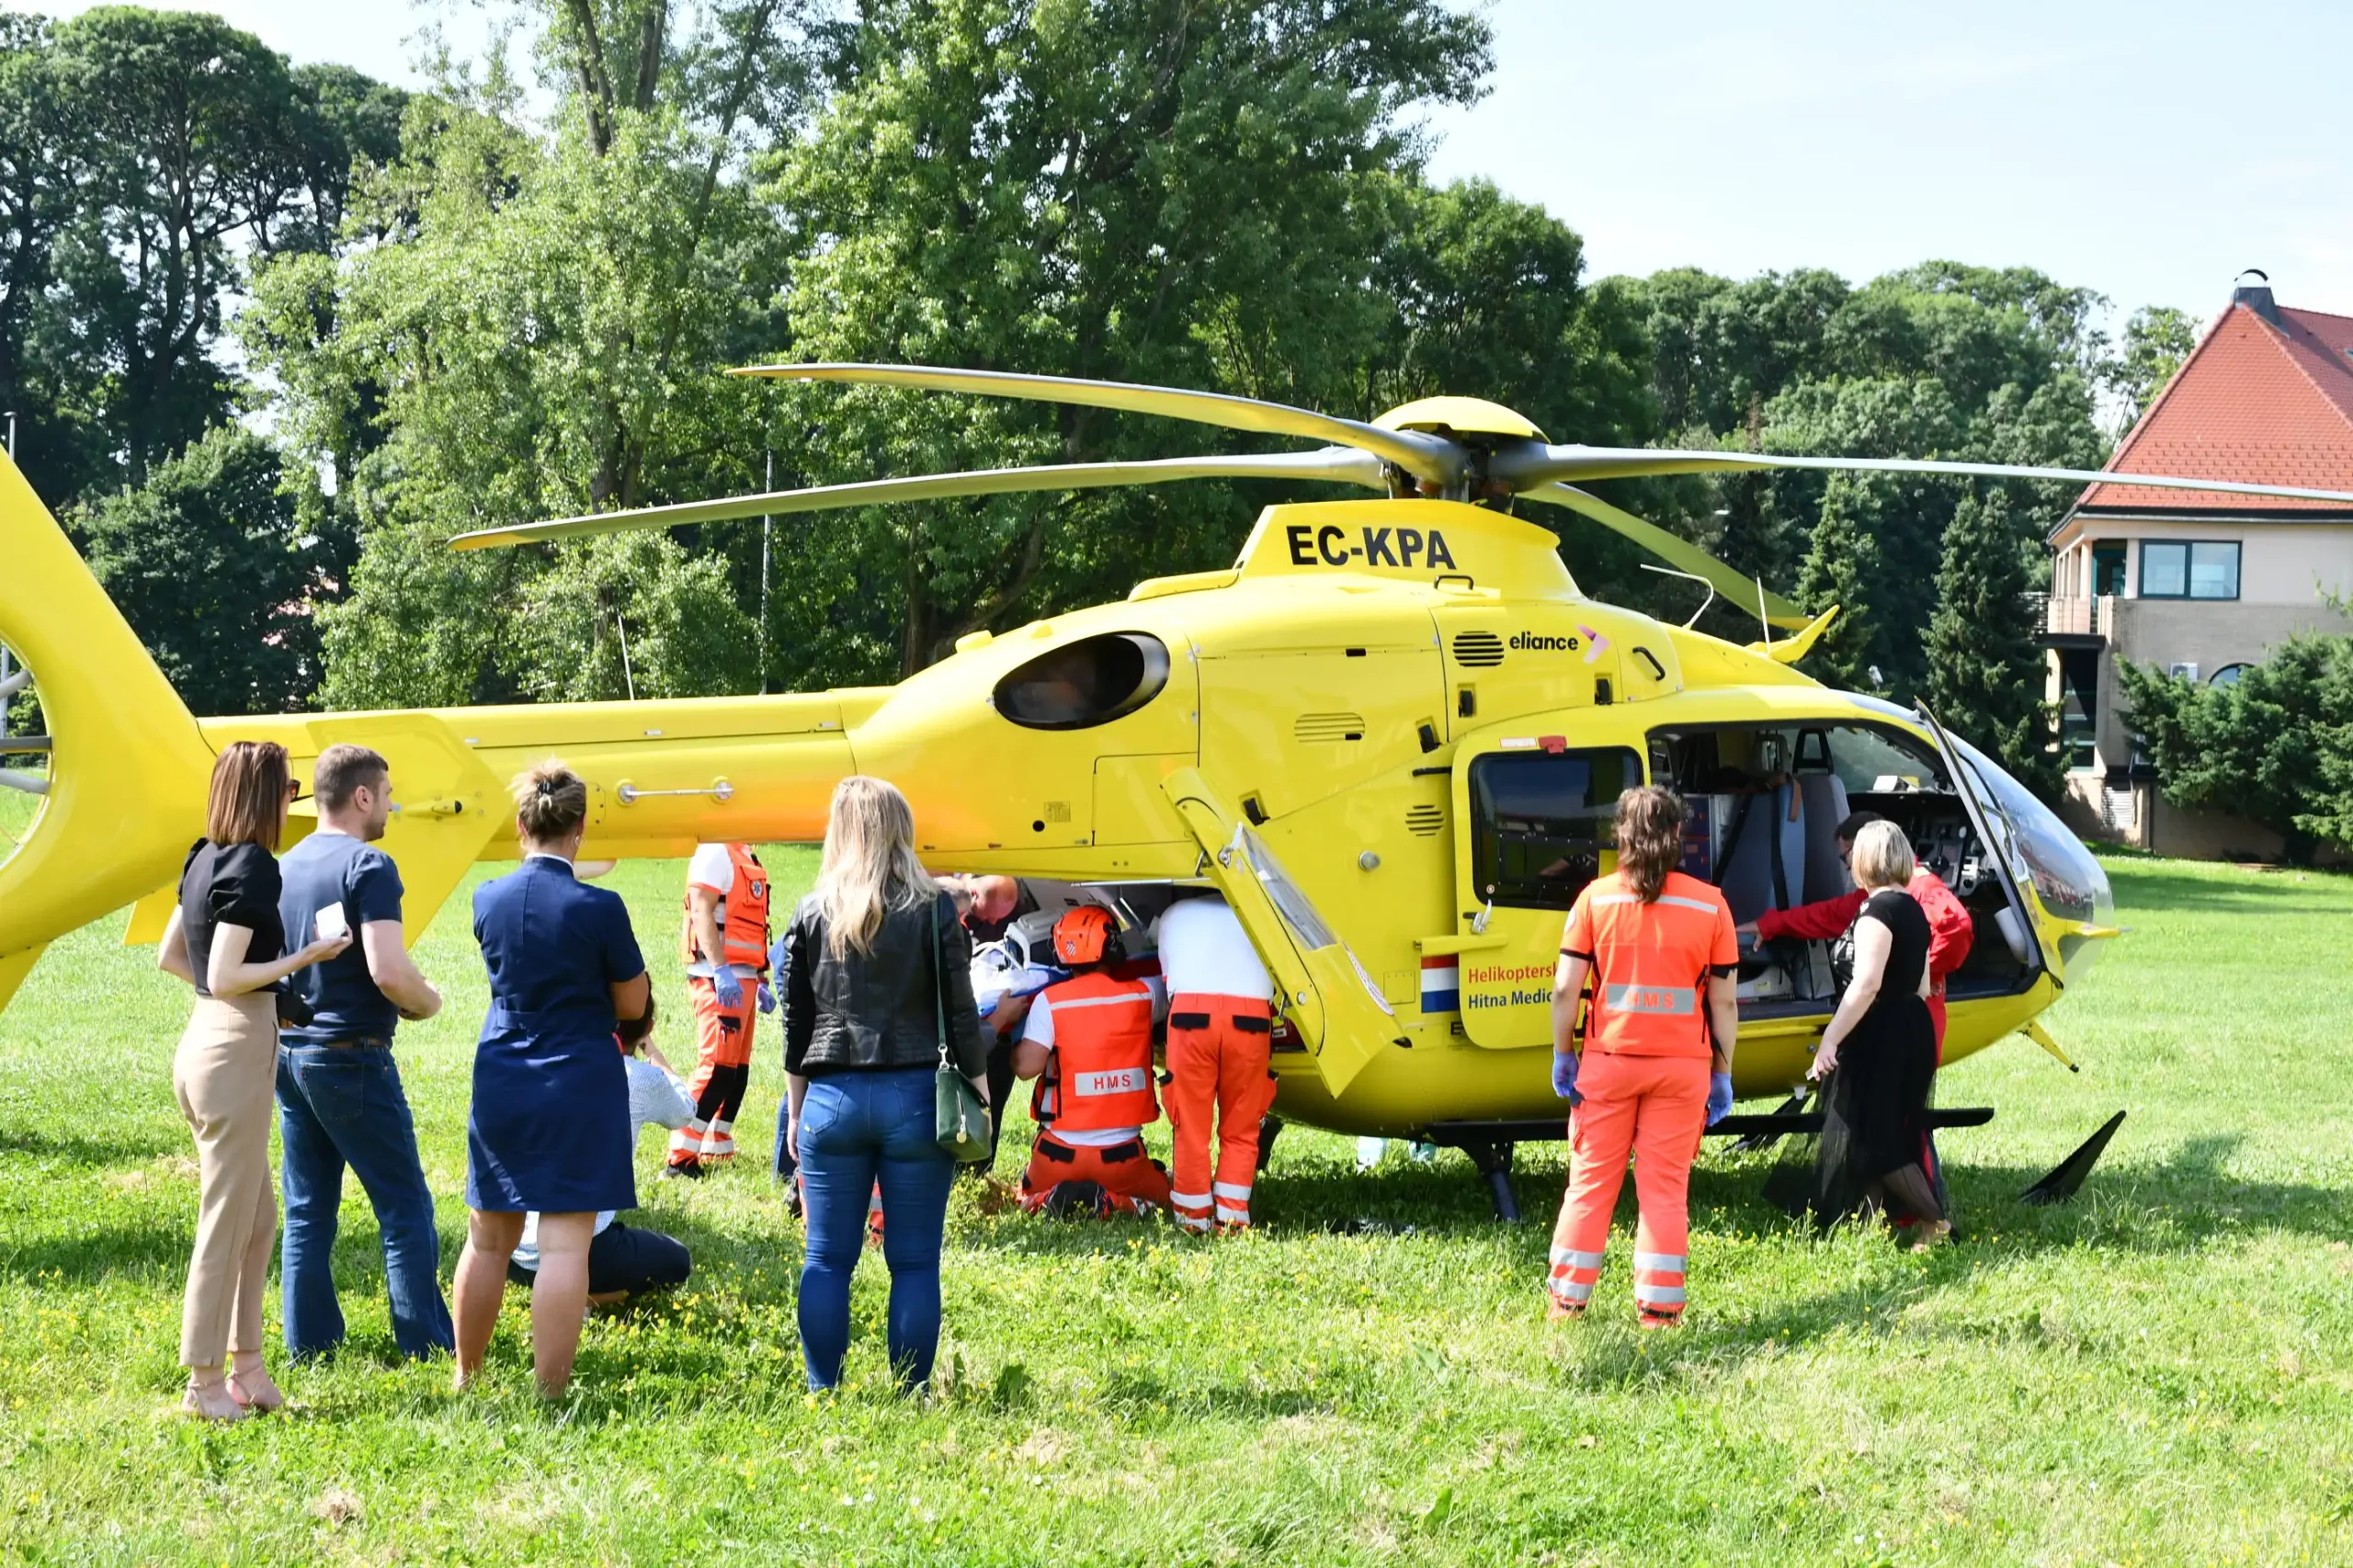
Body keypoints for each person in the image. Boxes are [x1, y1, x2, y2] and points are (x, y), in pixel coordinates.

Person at [155, 741, 350, 1419]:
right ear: (267, 795)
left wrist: (263, 1001)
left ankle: (248, 1370)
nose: (293, 800)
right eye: (290, 789)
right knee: (226, 1221)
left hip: (206, 1043)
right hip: (233, 1053)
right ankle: (204, 1385)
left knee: (258, 1217)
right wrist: (309, 955)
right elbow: (224, 972)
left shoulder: (202, 857)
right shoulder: (255, 867)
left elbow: (170, 956)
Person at [449, 762, 652, 1398]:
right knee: (566, 1250)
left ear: (520, 824)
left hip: (504, 1070)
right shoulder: (602, 907)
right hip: (579, 1078)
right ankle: (550, 1390)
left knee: (487, 1241)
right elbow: (631, 1003)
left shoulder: (488, 899)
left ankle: (466, 1373)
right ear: (581, 829)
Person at [779, 777, 986, 1392]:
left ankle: (824, 1391)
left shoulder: (811, 911)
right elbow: (963, 1011)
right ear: (903, 832)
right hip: (918, 1099)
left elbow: (796, 1028)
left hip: (831, 1098)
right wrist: (979, 1094)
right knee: (916, 1261)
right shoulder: (932, 911)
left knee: (826, 1260)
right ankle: (911, 1391)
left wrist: (795, 1111)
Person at [273, 743, 453, 1363]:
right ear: (361, 796)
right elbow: (389, 972)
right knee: (404, 1206)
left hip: (291, 1053)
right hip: (352, 1054)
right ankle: (427, 1348)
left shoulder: (286, 864)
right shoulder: (370, 865)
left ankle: (310, 1348)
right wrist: (427, 1000)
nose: (393, 804)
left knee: (306, 1212)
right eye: (388, 792)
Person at [1544, 785, 1740, 1327]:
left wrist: (1564, 1053)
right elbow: (1723, 1001)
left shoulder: (1594, 899)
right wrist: (1721, 1074)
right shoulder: (1710, 904)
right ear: (1679, 835)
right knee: (1665, 1192)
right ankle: (1659, 1313)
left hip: (1607, 1064)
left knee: (1588, 1186)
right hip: (1683, 1070)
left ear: (1620, 835)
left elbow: (1565, 991)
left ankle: (1566, 1307)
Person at [1806, 821, 1949, 1246]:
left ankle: (1936, 1221)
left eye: (1851, 855)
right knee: (1878, 1134)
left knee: (1877, 1139)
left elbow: (1865, 984)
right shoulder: (1913, 910)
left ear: (1864, 859)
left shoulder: (1875, 912)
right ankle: (1875, 1226)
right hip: (1913, 1025)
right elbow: (1923, 985)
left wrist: (1831, 1038)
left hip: (1882, 1032)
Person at [1735, 811, 1973, 1047]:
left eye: (1845, 856)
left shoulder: (1919, 889)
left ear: (1866, 849)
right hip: (1892, 1030)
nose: (1848, 867)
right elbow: (1826, 915)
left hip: (1909, 1034)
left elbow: (1957, 927)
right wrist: (1768, 925)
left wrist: (1915, 973)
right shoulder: (1877, 894)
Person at [510, 1006, 697, 1304]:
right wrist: (652, 1049)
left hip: (513, 1249)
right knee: (677, 1259)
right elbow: (685, 1112)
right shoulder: (641, 1077)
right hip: (582, 1249)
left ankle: (558, 1289)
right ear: (647, 1025)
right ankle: (579, 1296)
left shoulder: (551, 1057)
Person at [1011, 906, 1173, 1217]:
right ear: (1112, 947)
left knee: (1023, 1196)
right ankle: (1116, 1202)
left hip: (1057, 1157)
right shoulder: (1144, 996)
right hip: (1123, 1161)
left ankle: (1044, 1198)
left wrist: (1010, 1040)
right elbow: (1172, 983)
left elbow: (1025, 1068)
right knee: (1167, 1199)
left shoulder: (1050, 1002)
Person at [1154, 893, 1276, 1234]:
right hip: (1251, 1019)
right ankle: (1233, 1219)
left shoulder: (1173, 913)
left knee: (1190, 1125)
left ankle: (1192, 1219)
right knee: (1242, 1125)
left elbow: (1166, 978)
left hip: (1191, 1018)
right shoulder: (1263, 905)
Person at [665, 842, 771, 1178]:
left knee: (737, 1073)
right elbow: (700, 910)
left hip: (744, 979)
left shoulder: (745, 854)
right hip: (718, 979)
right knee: (716, 1069)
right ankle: (679, 1158)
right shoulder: (714, 851)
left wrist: (759, 976)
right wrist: (719, 968)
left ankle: (715, 1144)